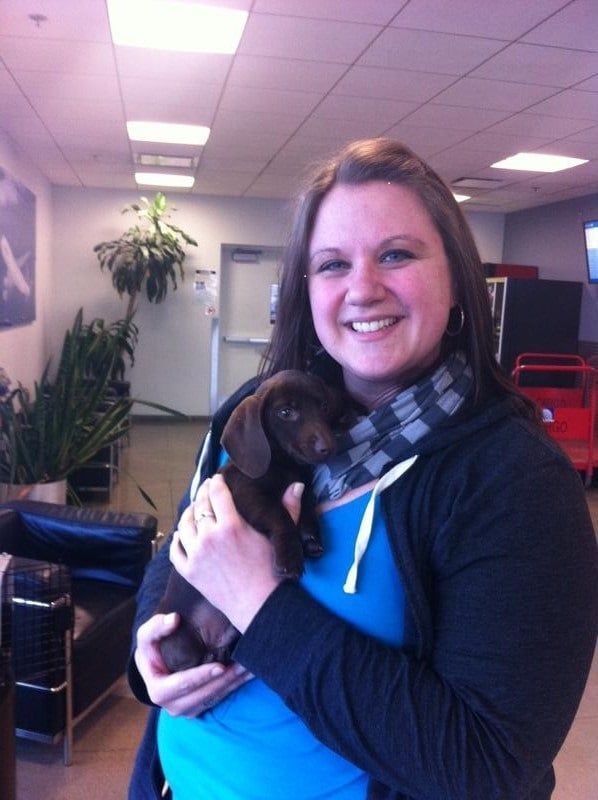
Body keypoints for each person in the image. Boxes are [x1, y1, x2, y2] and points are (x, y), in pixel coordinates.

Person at [128, 138, 598, 800]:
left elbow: (487, 766)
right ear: (306, 289)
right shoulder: (259, 412)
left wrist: (260, 607)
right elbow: (184, 546)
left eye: (397, 254)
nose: (363, 288)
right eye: (331, 264)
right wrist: (148, 650)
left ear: (458, 279)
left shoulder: (517, 482)